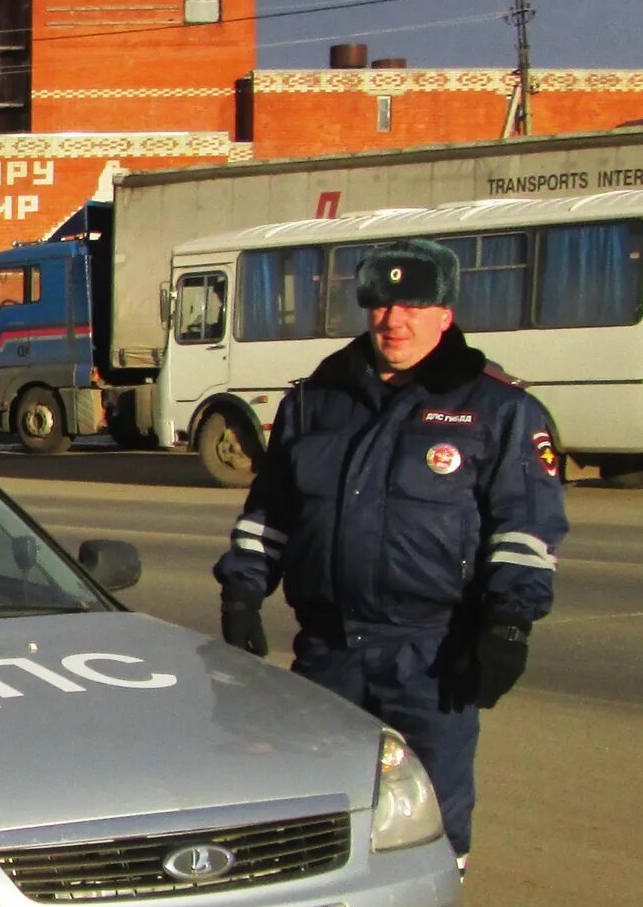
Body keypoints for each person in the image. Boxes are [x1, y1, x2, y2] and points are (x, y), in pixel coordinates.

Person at [213, 237, 566, 861]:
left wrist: (510, 624)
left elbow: (526, 528)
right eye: (380, 304)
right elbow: (271, 512)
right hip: (329, 651)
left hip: (432, 656)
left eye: (412, 305)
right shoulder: (316, 400)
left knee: (431, 814)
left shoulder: (497, 409)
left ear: (445, 313)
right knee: (318, 810)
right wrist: (243, 589)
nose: (393, 320)